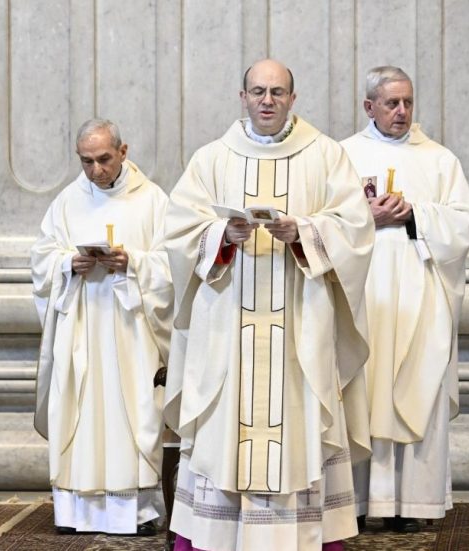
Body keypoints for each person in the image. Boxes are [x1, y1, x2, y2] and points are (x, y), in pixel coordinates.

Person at [162, 59, 375, 550]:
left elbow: (356, 229)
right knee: (224, 432)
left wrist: (304, 232)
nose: (267, 101)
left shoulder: (325, 156)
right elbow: (176, 232)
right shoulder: (212, 159)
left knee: (299, 426)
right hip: (228, 332)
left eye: (277, 92)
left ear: (292, 99)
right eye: (258, 91)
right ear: (242, 97)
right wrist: (221, 234)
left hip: (300, 331)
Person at [341, 66, 469, 533]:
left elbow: (464, 224)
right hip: (363, 302)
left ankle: (414, 505)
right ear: (369, 107)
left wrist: (416, 214)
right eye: (391, 103)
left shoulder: (440, 161)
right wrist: (368, 217)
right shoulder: (342, 157)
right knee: (361, 391)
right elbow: (323, 222)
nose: (402, 112)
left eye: (408, 103)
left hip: (420, 300)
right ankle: (355, 502)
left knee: (416, 387)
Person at [31, 119, 173, 536]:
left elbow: (173, 265)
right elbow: (42, 258)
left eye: (104, 159)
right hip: (83, 327)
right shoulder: (66, 202)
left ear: (123, 151)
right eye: (86, 161)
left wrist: (135, 264)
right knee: (80, 412)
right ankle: (76, 512)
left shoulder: (152, 201)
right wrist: (65, 264)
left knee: (134, 414)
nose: (95, 170)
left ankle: (137, 512)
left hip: (132, 330)